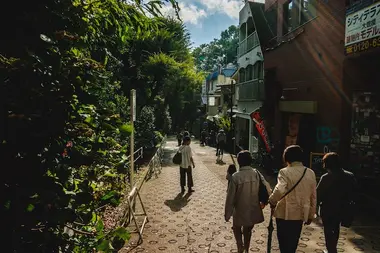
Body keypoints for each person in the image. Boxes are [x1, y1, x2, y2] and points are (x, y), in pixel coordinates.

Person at [269, 145, 317, 253]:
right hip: (300, 214)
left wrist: (272, 200)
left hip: (284, 214)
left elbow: (280, 189)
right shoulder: (310, 173)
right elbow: (313, 197)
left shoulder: (284, 172)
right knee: (293, 244)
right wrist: (311, 215)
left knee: (283, 245)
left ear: (287, 158)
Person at [225, 150, 272, 253]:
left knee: (237, 228)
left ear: (239, 161)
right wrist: (265, 201)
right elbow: (268, 188)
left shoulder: (236, 177)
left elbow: (230, 198)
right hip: (253, 209)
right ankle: (246, 248)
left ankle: (239, 247)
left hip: (239, 209)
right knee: (248, 230)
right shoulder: (256, 173)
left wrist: (227, 214)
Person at [317, 152, 357, 253]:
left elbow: (318, 194)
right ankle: (332, 247)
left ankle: (331, 249)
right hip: (343, 209)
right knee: (336, 229)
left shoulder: (326, 178)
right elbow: (354, 193)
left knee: (328, 231)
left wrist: (314, 208)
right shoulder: (349, 176)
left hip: (328, 210)